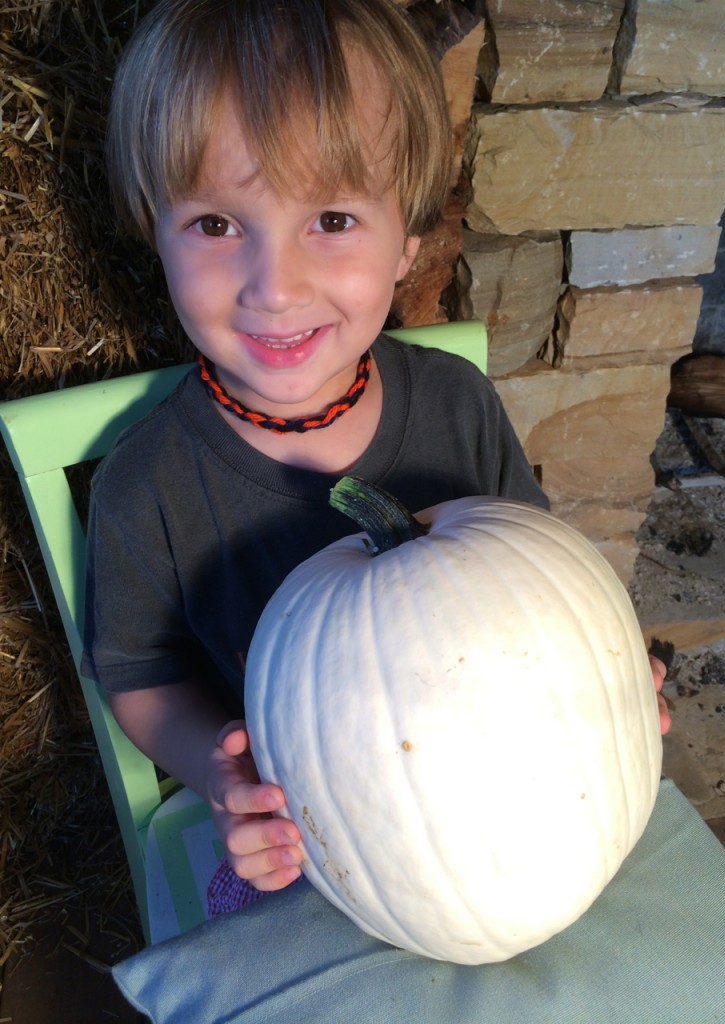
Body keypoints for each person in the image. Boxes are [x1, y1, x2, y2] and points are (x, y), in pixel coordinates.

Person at [82, 0, 670, 909]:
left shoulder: (455, 402)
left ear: (410, 241)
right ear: (152, 233)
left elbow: (543, 579)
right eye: (214, 225)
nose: (274, 288)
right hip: (307, 835)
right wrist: (221, 777)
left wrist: (603, 673)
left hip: (519, 794)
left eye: (332, 219)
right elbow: (139, 674)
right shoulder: (147, 482)